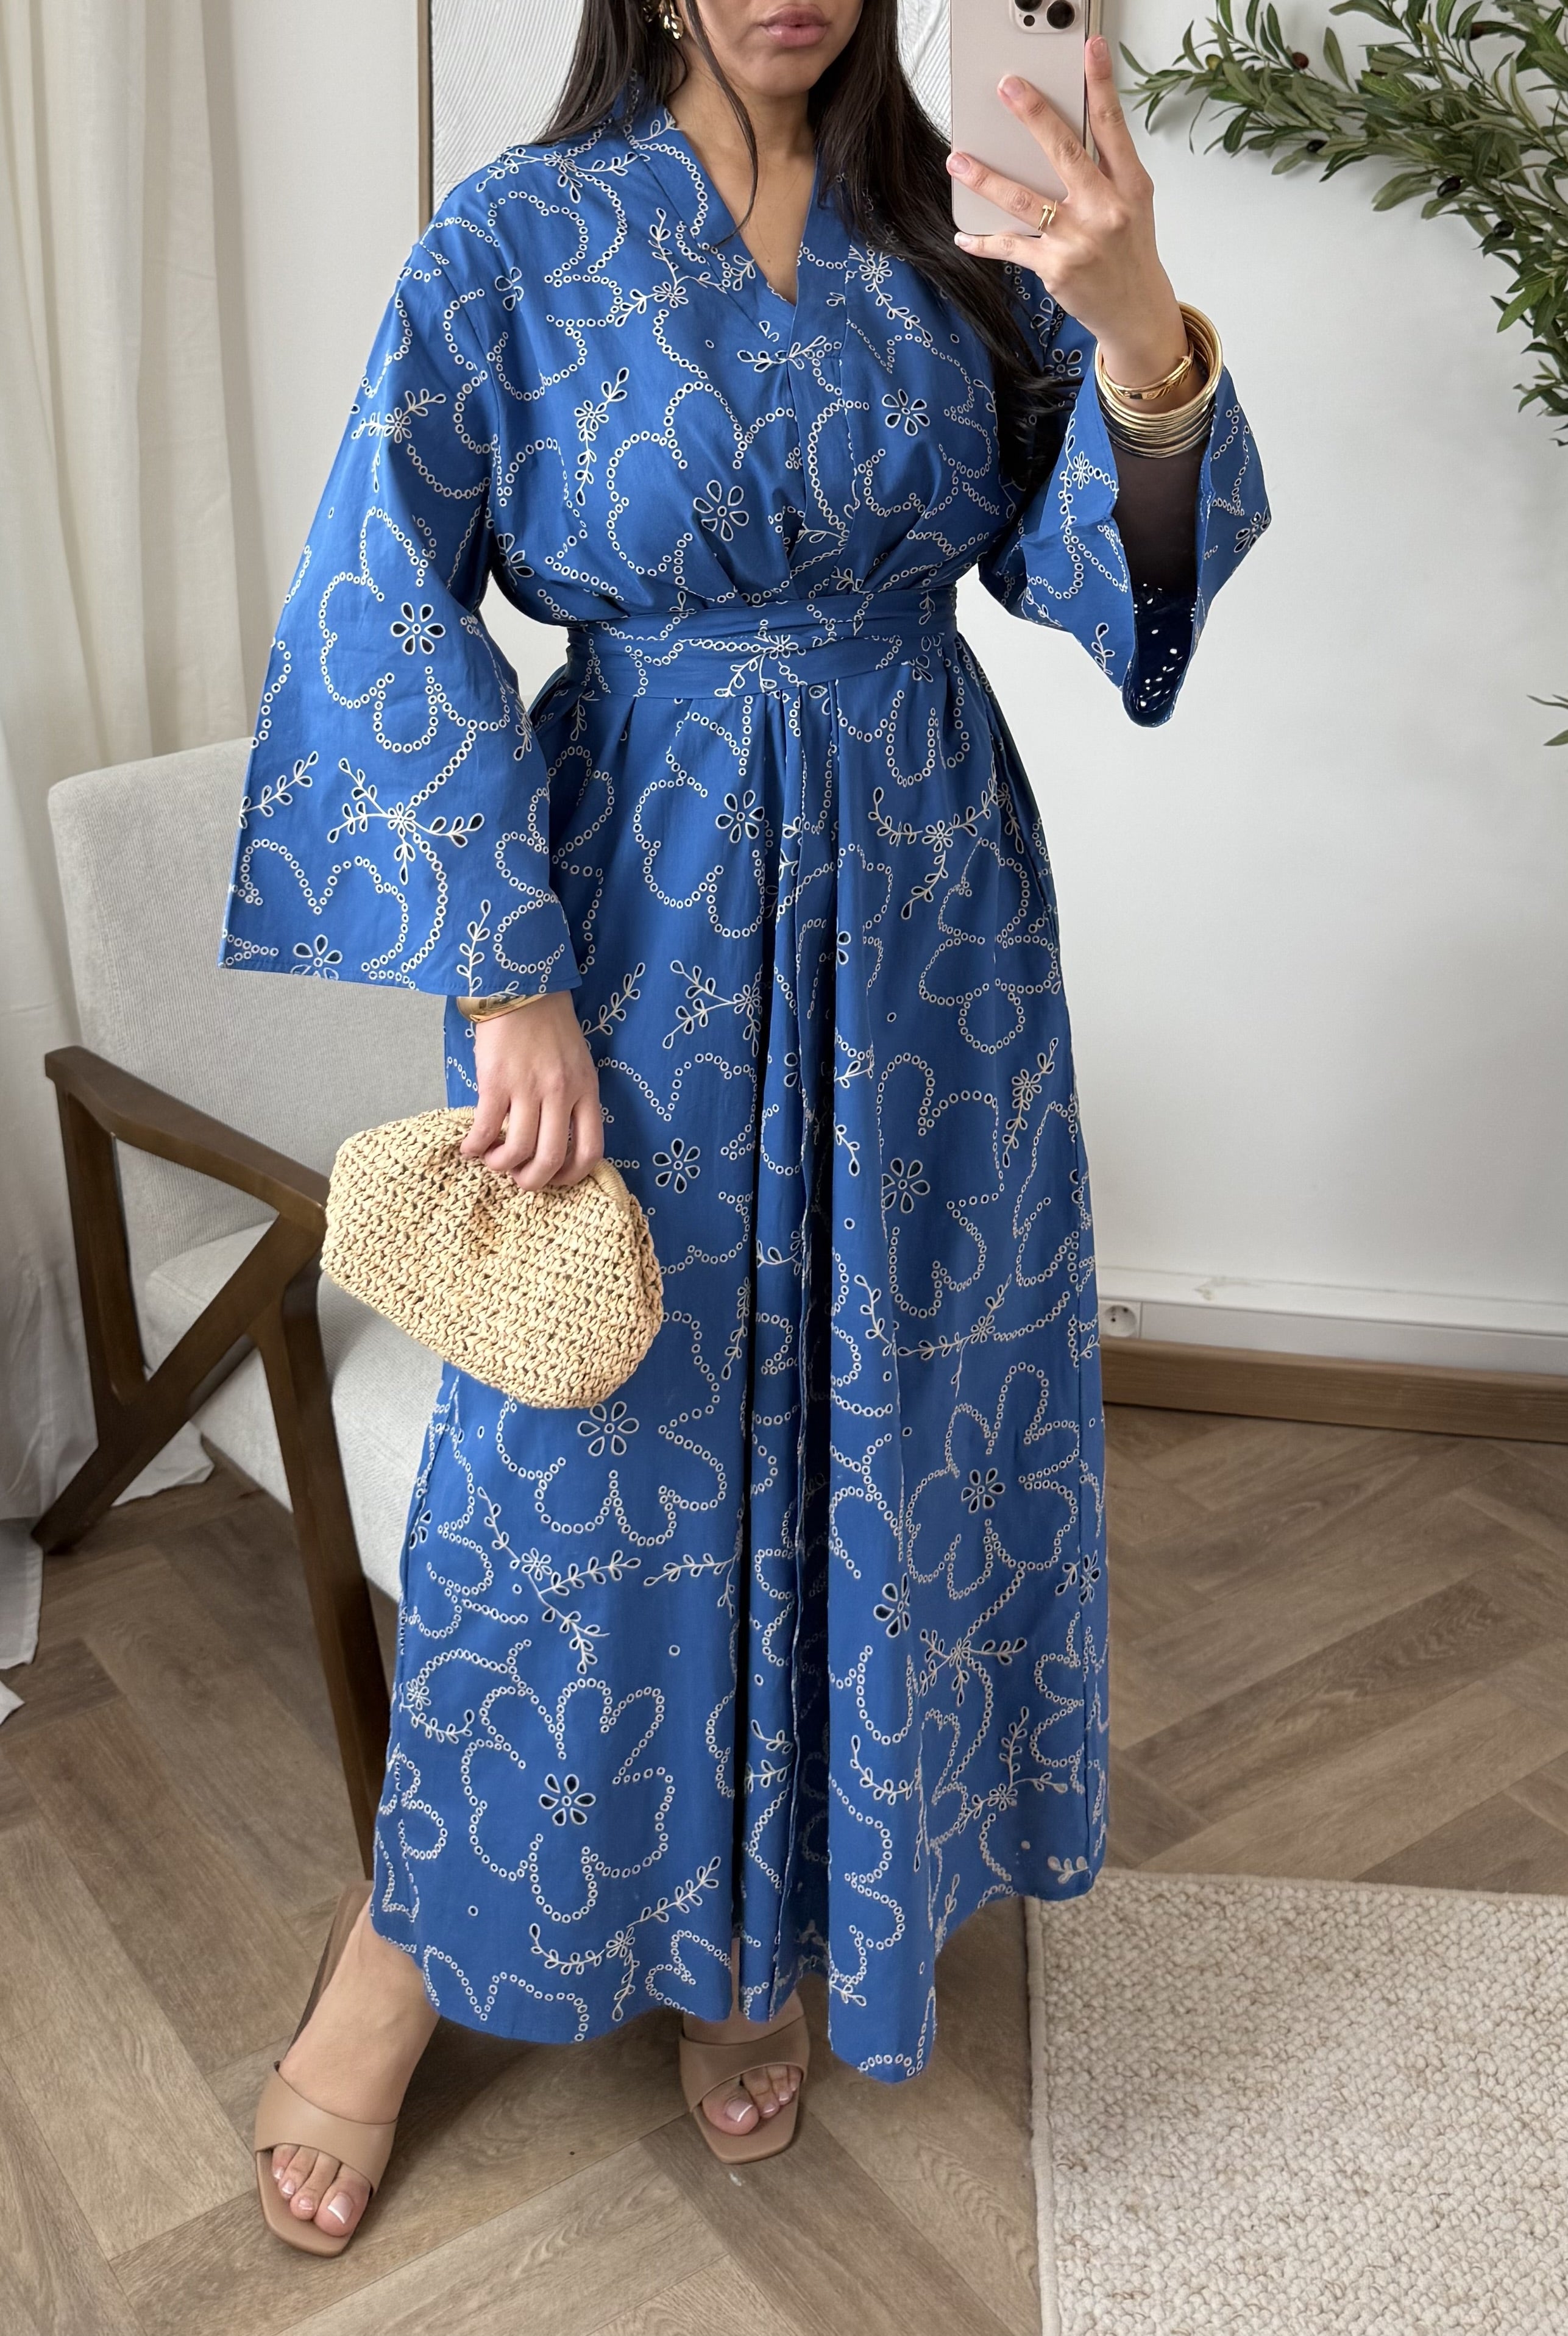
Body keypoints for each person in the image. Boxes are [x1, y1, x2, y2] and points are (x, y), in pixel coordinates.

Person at [224, 0, 1267, 2254]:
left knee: (884, 1433)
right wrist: (503, 969)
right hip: (636, 916)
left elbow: (1119, 594)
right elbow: (375, 591)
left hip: (931, 936)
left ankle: (754, 1935)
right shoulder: (514, 239)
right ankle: (394, 1959)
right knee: (592, 1460)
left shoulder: (957, 235)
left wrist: (1137, 329)